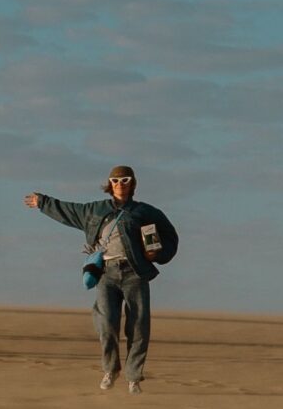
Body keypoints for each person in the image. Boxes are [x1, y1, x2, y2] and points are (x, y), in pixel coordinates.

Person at [24, 164, 178, 393]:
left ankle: (134, 377)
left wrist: (157, 254)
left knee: (138, 327)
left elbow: (170, 237)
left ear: (133, 184)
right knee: (106, 324)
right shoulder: (95, 210)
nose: (120, 184)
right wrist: (43, 202)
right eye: (116, 180)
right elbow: (69, 210)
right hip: (106, 273)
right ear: (109, 184)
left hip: (135, 273)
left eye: (125, 180)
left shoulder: (146, 212)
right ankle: (110, 369)